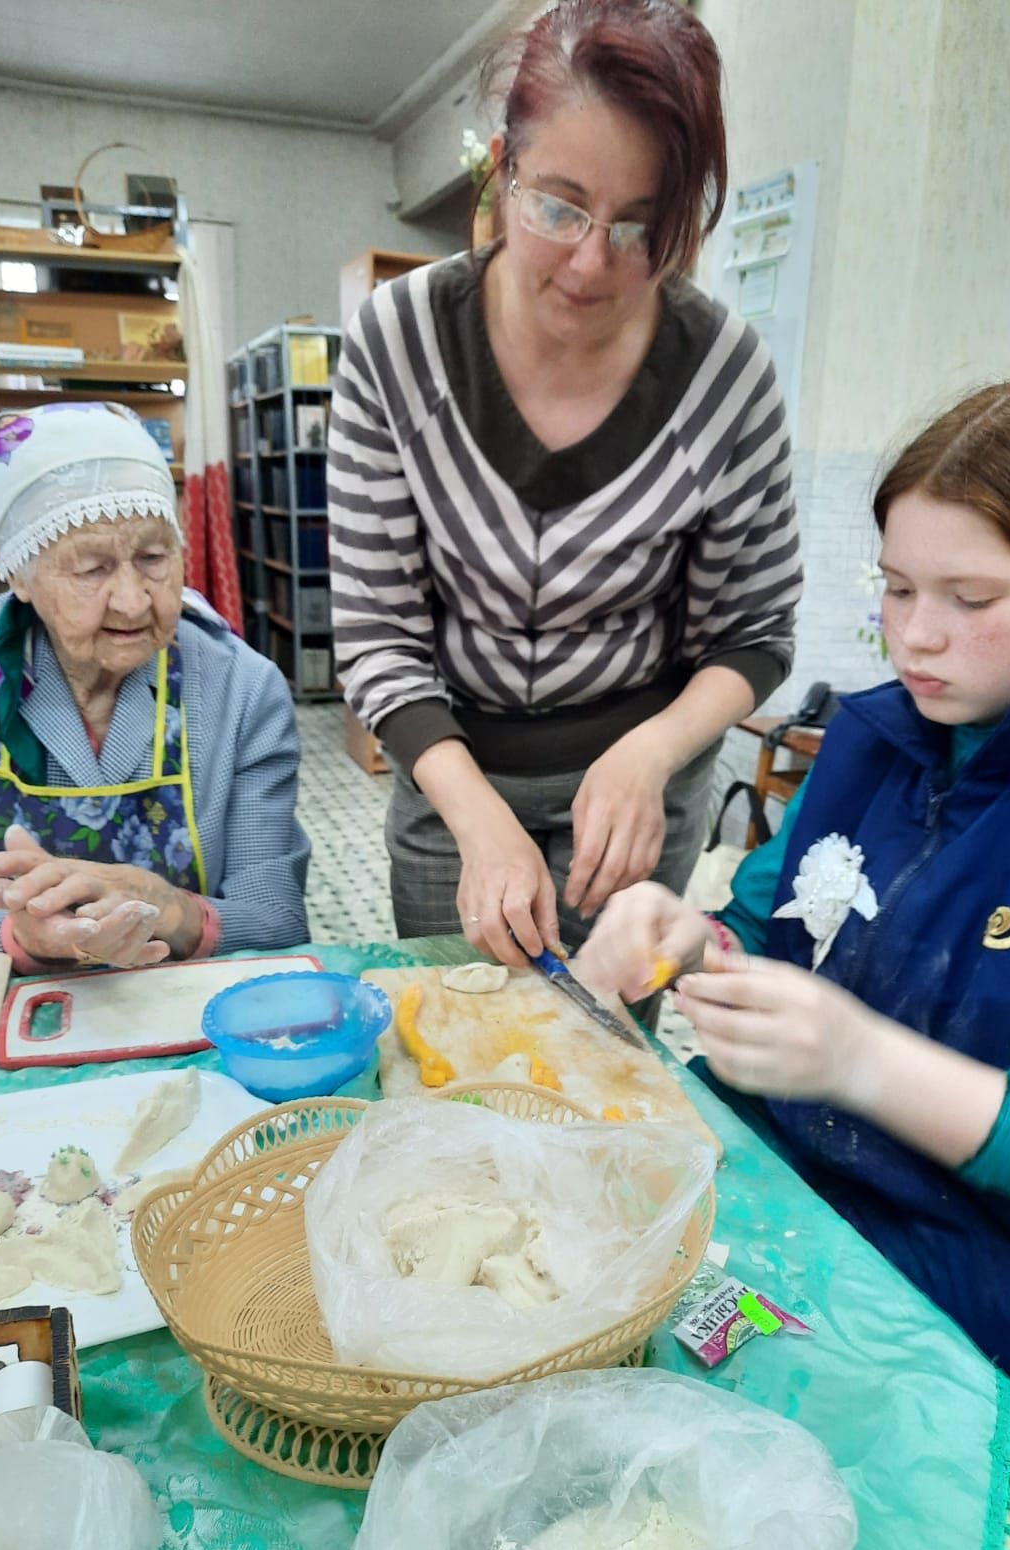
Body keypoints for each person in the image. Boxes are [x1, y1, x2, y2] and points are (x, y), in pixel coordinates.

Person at [576, 372, 1010, 1395]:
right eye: (897, 587)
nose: (913, 634)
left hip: (994, 1279)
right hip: (780, 1189)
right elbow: (762, 930)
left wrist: (863, 1062)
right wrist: (685, 940)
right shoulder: (871, 739)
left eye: (972, 598)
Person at [328, 0, 801, 972]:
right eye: (559, 205)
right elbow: (378, 632)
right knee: (460, 1058)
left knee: (610, 1076)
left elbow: (752, 633)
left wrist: (650, 753)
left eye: (639, 226)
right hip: (452, 770)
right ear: (502, 170)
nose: (592, 262)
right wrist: (474, 815)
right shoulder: (399, 339)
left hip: (637, 792)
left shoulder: (724, 372)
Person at [0, 401, 310, 970]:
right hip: (13, 1009)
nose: (132, 600)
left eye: (152, 557)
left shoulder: (242, 688)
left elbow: (277, 921)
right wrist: (31, 940)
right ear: (18, 574)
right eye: (91, 568)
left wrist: (171, 912)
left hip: (189, 1005)